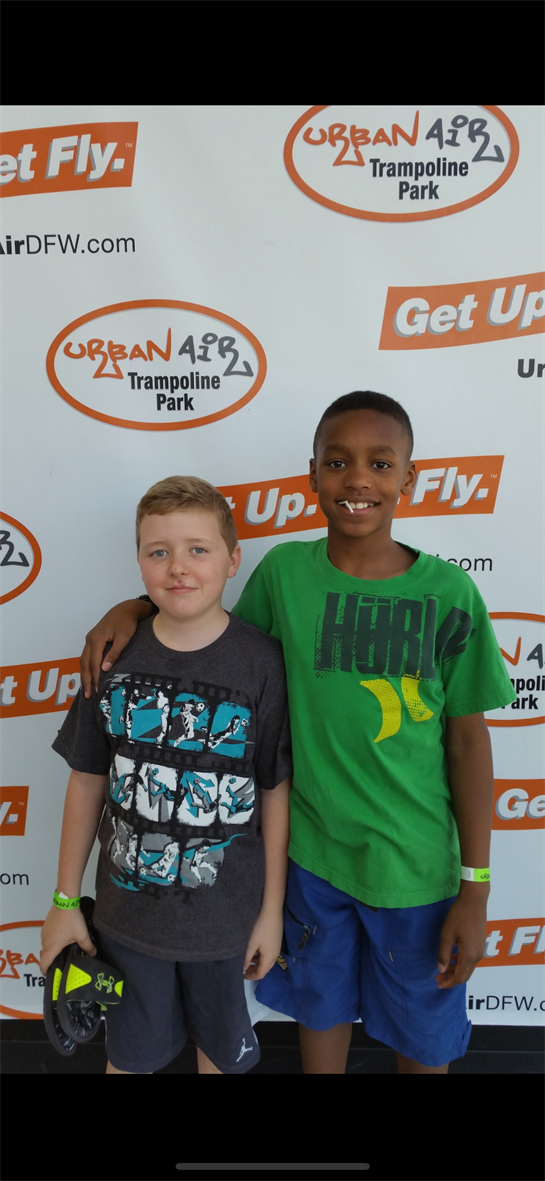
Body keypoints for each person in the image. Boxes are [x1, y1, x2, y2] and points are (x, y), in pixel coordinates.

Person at [79, 392, 515, 1075]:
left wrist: (476, 885)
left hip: (415, 869)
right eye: (337, 462)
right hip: (313, 864)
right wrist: (134, 605)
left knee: (423, 1038)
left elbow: (466, 741)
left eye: (379, 462)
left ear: (411, 477)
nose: (357, 479)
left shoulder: (449, 595)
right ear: (311, 474)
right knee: (319, 1015)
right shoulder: (283, 575)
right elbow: (212, 634)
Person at [40, 476, 291, 1075]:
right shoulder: (113, 659)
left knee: (220, 1059)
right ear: (140, 562)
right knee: (129, 1059)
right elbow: (86, 779)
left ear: (233, 560)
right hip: (125, 925)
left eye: (198, 550)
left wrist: (271, 912)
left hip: (226, 921)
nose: (179, 567)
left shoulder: (263, 665)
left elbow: (274, 792)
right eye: (160, 552)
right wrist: (63, 899)